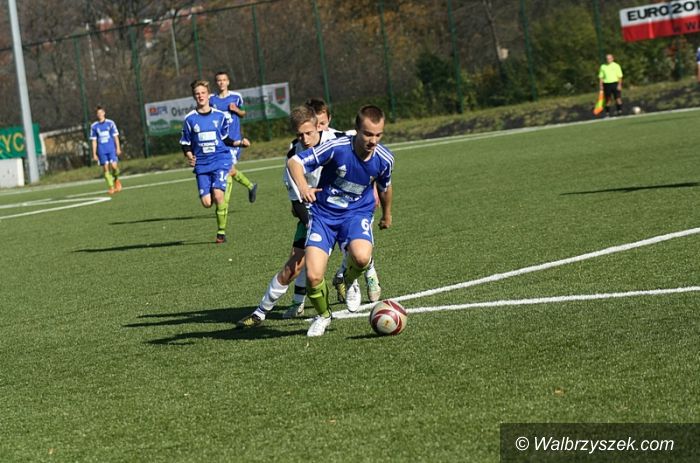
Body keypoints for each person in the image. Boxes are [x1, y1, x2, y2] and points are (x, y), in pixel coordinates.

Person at [287, 105, 394, 337]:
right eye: (368, 134)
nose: (373, 140)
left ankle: (346, 279)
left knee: (362, 257)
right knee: (314, 276)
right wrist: (303, 187)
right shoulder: (337, 148)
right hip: (323, 215)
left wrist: (387, 215)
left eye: (378, 135)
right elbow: (294, 163)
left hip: (356, 214)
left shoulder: (384, 159)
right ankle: (324, 315)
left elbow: (385, 188)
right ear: (357, 130)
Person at [236, 105, 345, 328]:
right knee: (295, 265)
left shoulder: (337, 141)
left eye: (308, 133)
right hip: (313, 214)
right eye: (299, 135)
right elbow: (297, 203)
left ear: (319, 126)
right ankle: (260, 313)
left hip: (343, 210)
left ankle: (347, 278)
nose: (304, 139)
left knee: (356, 253)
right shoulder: (293, 156)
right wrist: (315, 227)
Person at [304, 98, 382, 304]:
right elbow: (295, 170)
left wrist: (374, 189)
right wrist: (298, 198)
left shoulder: (341, 139)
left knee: (358, 250)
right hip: (321, 206)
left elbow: (370, 166)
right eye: (315, 124)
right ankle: (304, 300)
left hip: (354, 205)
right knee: (309, 259)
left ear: (329, 121)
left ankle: (365, 273)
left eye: (323, 123)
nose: (319, 128)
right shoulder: (299, 146)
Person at [180, 80, 250, 244]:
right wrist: (190, 156)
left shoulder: (220, 116)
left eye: (203, 93)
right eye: (197, 93)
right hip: (202, 164)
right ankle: (218, 187)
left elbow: (225, 139)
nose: (200, 96)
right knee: (206, 203)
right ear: (194, 96)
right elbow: (185, 143)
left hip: (220, 160)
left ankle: (221, 233)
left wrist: (239, 143)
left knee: (218, 196)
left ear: (208, 95)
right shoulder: (190, 119)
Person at [209, 71, 258, 209]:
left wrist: (236, 109)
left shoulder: (236, 97)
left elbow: (243, 113)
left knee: (229, 170)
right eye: (219, 80)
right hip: (219, 141)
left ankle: (224, 203)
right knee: (229, 169)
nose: (222, 82)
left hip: (234, 140)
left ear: (228, 82)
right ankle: (251, 186)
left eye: (224, 80)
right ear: (216, 83)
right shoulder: (212, 99)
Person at [90, 106, 122, 195]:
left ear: (104, 113)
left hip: (111, 149)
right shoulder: (94, 126)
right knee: (105, 169)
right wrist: (94, 154)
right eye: (98, 113)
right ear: (96, 115)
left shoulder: (110, 123)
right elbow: (94, 140)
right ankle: (111, 187)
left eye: (101, 113)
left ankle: (116, 180)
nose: (100, 114)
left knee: (114, 167)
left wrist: (118, 148)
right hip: (102, 150)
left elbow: (115, 136)